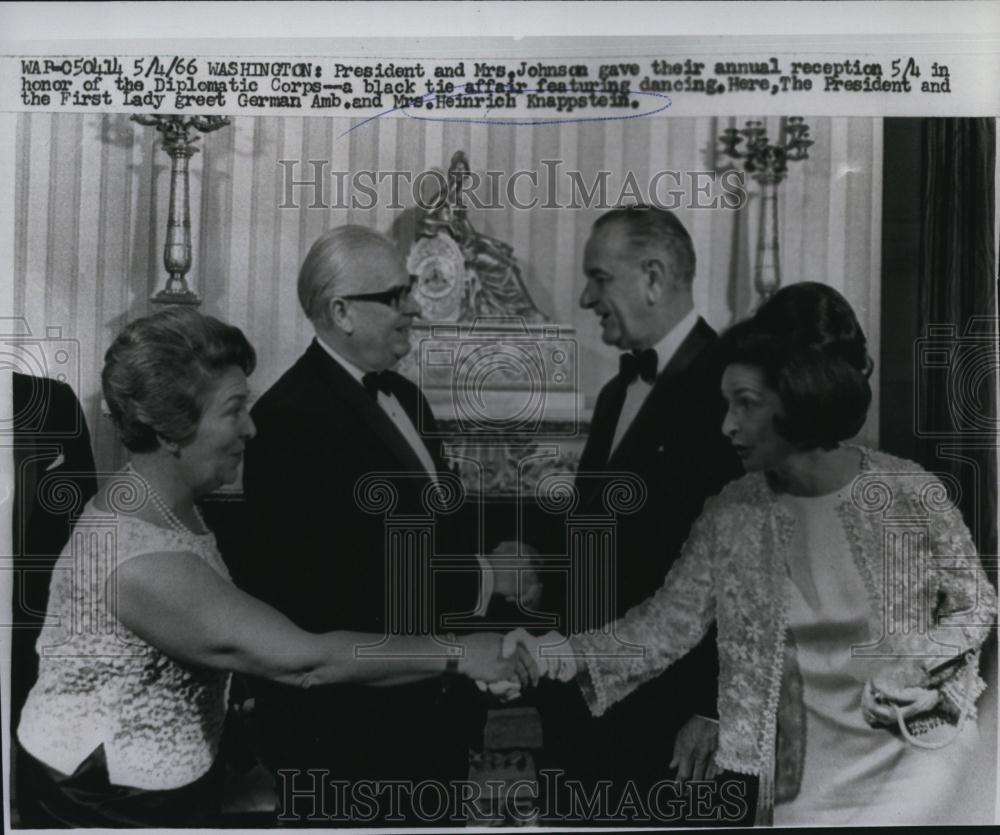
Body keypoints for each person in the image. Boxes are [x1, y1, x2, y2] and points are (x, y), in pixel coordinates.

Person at [13, 308, 529, 828]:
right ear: (171, 429)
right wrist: (463, 653)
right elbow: (305, 662)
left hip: (162, 782)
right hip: (108, 802)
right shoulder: (140, 561)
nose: (251, 427)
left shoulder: (164, 500)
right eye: (234, 410)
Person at [513, 281, 998, 826]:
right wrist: (562, 653)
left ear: (797, 396)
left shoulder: (907, 493)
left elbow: (975, 605)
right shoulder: (733, 513)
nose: (727, 425)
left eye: (746, 404)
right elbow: (663, 627)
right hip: (801, 791)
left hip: (917, 774)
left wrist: (918, 666)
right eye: (727, 404)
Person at [239, 225, 538, 825]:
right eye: (395, 296)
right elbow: (337, 594)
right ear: (340, 312)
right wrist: (489, 578)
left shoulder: (406, 396)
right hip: (346, 737)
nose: (414, 309)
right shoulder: (290, 420)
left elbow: (435, 533)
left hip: (429, 717)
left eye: (410, 291)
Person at [524, 205, 741, 824]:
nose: (585, 298)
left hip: (671, 719)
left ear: (653, 276)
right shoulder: (618, 392)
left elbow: (745, 567)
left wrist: (713, 707)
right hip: (586, 699)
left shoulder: (730, 388)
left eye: (599, 278)